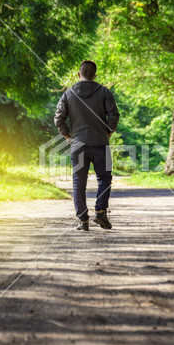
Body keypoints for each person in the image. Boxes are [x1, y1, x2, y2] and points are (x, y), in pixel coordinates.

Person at [54, 60, 120, 231]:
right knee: (104, 179)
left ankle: (83, 221)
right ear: (95, 75)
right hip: (100, 144)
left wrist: (68, 136)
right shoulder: (104, 91)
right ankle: (100, 211)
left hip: (78, 145)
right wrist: (108, 133)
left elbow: (58, 118)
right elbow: (114, 115)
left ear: (78, 74)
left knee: (79, 183)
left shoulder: (68, 94)